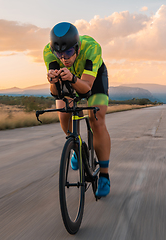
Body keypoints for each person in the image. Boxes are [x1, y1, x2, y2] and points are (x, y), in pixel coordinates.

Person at [43, 22, 111, 197]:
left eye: (69, 53)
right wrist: (53, 81)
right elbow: (55, 93)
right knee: (64, 114)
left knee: (97, 119)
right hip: (70, 78)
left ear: (78, 48)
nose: (64, 58)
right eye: (59, 54)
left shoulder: (92, 48)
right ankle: (77, 146)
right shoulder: (48, 52)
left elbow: (87, 88)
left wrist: (73, 78)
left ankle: (104, 174)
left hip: (93, 81)